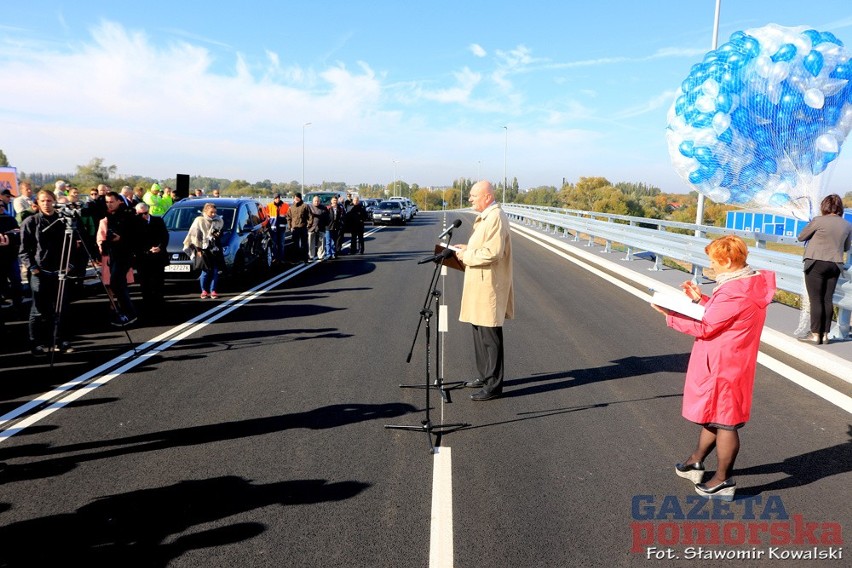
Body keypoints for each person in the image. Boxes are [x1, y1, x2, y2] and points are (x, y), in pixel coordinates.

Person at [652, 235, 776, 501]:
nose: (712, 267)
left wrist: (670, 315)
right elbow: (726, 316)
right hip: (732, 359)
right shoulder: (748, 283)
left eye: (715, 262)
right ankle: (695, 463)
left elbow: (707, 326)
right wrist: (701, 300)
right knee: (715, 414)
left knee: (725, 421)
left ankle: (722, 480)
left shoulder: (734, 291)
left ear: (729, 261)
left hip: (723, 363)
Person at [454, 180, 514, 401]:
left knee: (490, 335)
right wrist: (467, 248)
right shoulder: (487, 217)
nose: (470, 199)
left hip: (489, 284)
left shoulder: (496, 217)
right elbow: (484, 246)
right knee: (479, 332)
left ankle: (494, 385)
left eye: (473, 196)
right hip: (480, 283)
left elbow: (493, 252)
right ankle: (484, 376)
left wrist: (466, 256)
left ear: (487, 197)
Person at [18, 190, 80, 355]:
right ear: (37, 203)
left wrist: (70, 265)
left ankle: (61, 341)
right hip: (40, 272)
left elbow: (73, 246)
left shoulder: (63, 221)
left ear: (54, 202)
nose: (46, 203)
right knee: (37, 310)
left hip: (60, 272)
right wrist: (33, 268)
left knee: (61, 308)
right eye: (43, 201)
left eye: (49, 200)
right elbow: (23, 251)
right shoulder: (31, 222)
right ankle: (36, 344)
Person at [796, 194, 852, 345]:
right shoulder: (847, 225)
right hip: (835, 265)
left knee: (816, 300)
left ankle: (815, 334)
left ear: (824, 206)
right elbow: (846, 247)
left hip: (815, 263)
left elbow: (801, 237)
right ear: (840, 208)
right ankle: (825, 335)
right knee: (827, 299)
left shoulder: (819, 220)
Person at [97, 191, 138, 327]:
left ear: (119, 201)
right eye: (107, 202)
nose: (109, 204)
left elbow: (135, 236)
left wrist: (121, 238)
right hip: (112, 254)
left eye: (111, 202)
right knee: (116, 284)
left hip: (124, 254)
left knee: (117, 282)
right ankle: (124, 312)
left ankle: (129, 312)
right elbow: (105, 237)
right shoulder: (108, 216)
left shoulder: (128, 216)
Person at [183, 202, 225, 299]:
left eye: (215, 212)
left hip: (215, 248)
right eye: (211, 212)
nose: (214, 214)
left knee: (215, 271)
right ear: (205, 211)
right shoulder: (199, 220)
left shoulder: (219, 220)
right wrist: (198, 249)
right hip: (202, 248)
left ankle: (213, 290)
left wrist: (217, 234)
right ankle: (204, 290)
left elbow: (221, 232)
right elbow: (194, 235)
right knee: (206, 271)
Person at [134, 202, 169, 316]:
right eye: (140, 214)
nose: (143, 216)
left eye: (145, 213)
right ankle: (147, 304)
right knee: (144, 282)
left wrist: (159, 247)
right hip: (143, 257)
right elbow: (133, 240)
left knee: (158, 280)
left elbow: (164, 236)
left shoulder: (158, 221)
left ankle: (159, 302)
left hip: (157, 257)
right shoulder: (135, 223)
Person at [286, 193, 309, 262]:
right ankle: (296, 259)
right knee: (295, 244)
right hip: (295, 228)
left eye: (298, 197)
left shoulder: (305, 206)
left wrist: (308, 225)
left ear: (300, 198)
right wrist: (290, 227)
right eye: (295, 197)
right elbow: (288, 217)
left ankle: (305, 258)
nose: (296, 199)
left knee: (304, 244)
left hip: (303, 227)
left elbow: (310, 216)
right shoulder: (291, 207)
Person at [267, 194, 290, 263]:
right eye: (276, 198)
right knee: (274, 244)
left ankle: (281, 258)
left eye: (278, 198)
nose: (277, 199)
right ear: (274, 199)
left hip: (282, 228)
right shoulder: (269, 206)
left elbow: (288, 216)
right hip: (273, 229)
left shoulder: (285, 205)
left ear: (280, 198)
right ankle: (275, 258)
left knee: (281, 244)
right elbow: (267, 216)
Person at [306, 196, 328, 261]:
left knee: (321, 242)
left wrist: (325, 225)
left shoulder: (323, 208)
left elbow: (327, 217)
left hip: (321, 227)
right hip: (311, 227)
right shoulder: (309, 207)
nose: (316, 202)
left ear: (319, 201)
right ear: (312, 201)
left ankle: (321, 255)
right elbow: (306, 217)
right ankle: (311, 256)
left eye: (318, 201)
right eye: (315, 201)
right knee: (310, 242)